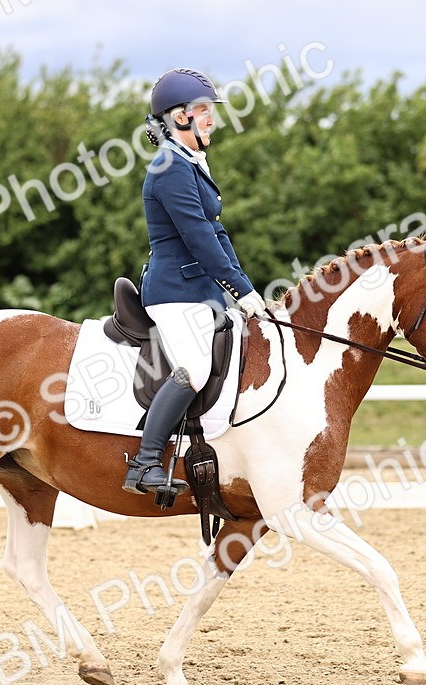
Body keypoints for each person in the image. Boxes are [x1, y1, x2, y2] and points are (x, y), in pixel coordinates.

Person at [122, 67, 268, 496]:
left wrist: (246, 288)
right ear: (179, 116)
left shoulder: (190, 164)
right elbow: (198, 237)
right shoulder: (170, 167)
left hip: (200, 291)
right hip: (175, 292)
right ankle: (145, 463)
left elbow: (217, 233)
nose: (212, 119)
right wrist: (239, 290)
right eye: (204, 110)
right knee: (196, 369)